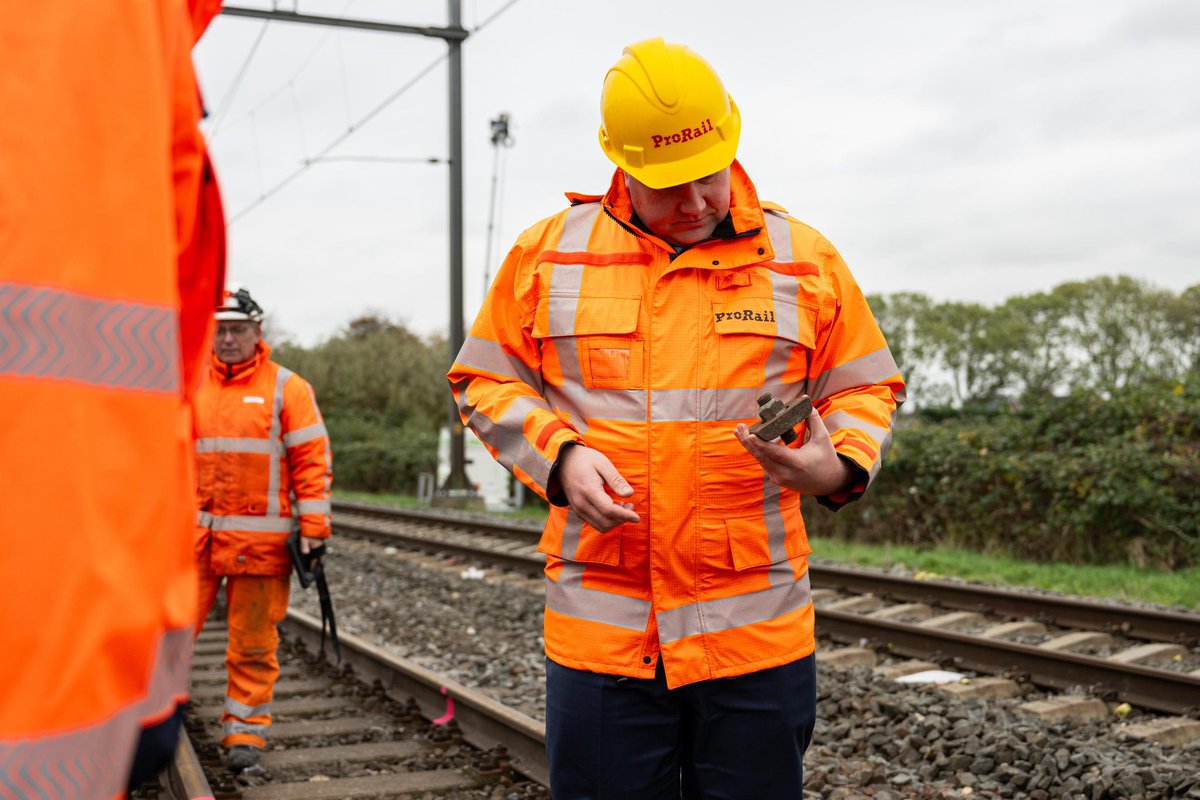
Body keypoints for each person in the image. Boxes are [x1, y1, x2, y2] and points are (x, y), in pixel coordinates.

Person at [448, 37, 905, 798]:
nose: (694, 204)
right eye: (669, 188)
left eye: (708, 177)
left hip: (756, 641)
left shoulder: (803, 260)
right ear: (620, 166)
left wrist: (840, 464)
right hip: (606, 641)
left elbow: (865, 387)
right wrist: (558, 456)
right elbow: (484, 379)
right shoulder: (547, 256)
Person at [0, 1, 226, 793]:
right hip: (60, 677)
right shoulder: (104, 32)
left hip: (90, 651)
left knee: (257, 645)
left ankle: (252, 726)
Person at [193, 286, 333, 772]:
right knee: (165, 638)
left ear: (258, 333)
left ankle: (244, 736)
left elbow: (311, 462)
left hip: (261, 546)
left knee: (253, 645)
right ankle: (152, 722)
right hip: (191, 544)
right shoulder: (188, 385)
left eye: (237, 330)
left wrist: (315, 528)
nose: (227, 339)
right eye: (220, 331)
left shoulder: (287, 388)